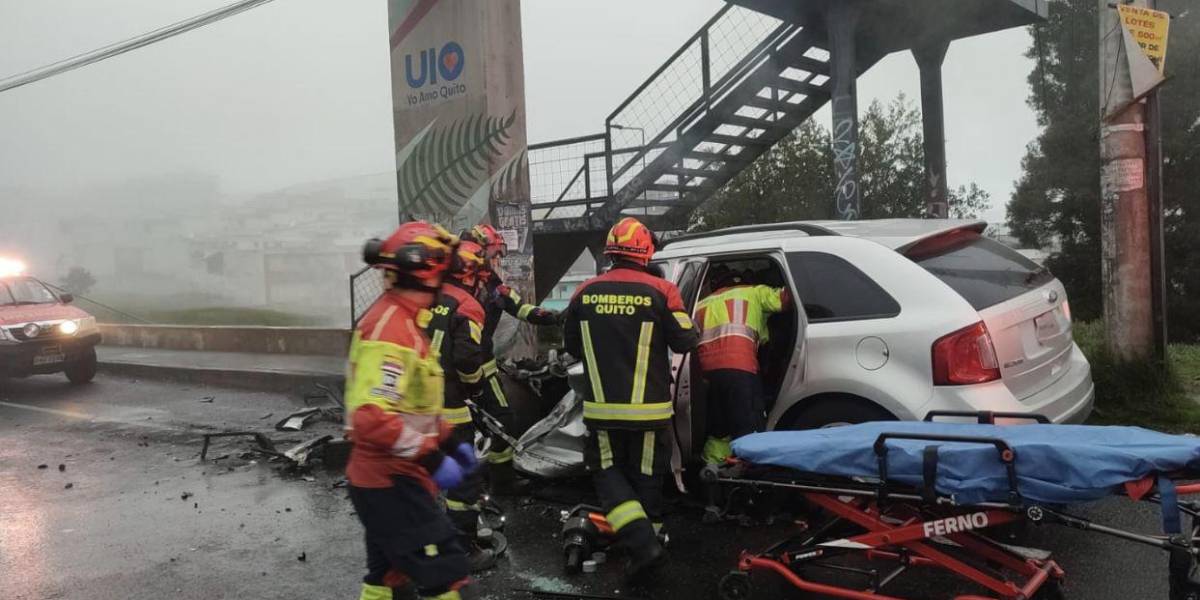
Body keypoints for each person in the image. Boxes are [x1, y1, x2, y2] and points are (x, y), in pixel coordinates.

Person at [344, 221, 479, 600]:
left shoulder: (404, 320)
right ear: (428, 272)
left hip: (383, 480)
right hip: (391, 481)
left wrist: (451, 442)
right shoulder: (392, 331)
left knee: (387, 578)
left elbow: (411, 408)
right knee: (450, 579)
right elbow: (371, 417)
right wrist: (434, 458)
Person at [562, 216, 699, 581]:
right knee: (646, 476)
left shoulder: (584, 292)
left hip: (602, 410)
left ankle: (642, 546)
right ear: (646, 252)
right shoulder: (662, 290)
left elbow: (571, 346)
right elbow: (687, 339)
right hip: (650, 411)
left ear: (610, 252)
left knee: (608, 475)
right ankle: (647, 543)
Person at [460, 223, 558, 494]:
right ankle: (465, 486)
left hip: (483, 366)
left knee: (503, 420)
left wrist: (554, 317)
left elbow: (519, 307)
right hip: (456, 372)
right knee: (460, 430)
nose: (498, 260)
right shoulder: (454, 289)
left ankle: (501, 482)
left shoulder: (492, 284)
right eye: (494, 254)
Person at [693, 264, 791, 521]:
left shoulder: (701, 303)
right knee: (749, 433)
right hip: (740, 370)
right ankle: (754, 501)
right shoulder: (754, 293)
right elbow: (786, 299)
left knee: (717, 433)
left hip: (707, 377)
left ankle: (714, 498)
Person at [423, 239, 497, 572]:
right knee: (463, 480)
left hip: (418, 409)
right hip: (450, 409)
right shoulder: (467, 305)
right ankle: (462, 549)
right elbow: (468, 360)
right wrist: (476, 389)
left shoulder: (425, 298)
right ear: (472, 275)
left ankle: (428, 543)